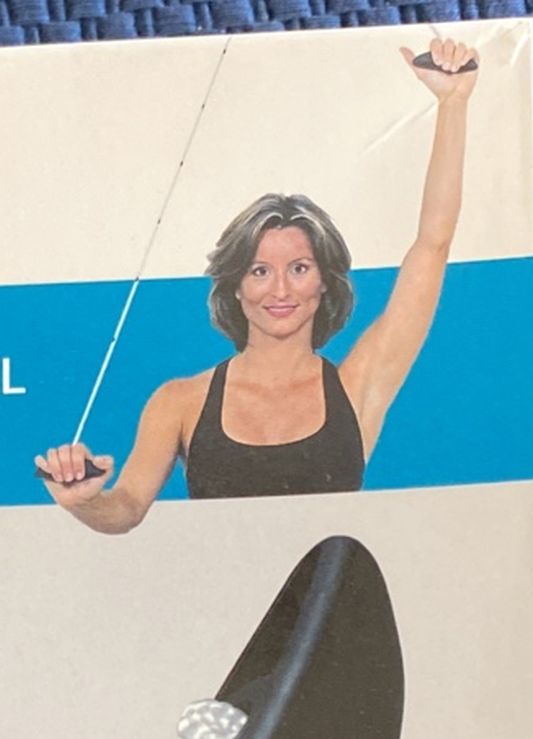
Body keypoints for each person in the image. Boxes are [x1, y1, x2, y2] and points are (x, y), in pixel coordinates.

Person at [36, 34, 480, 529]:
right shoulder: (179, 402)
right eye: (259, 271)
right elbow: (125, 508)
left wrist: (453, 103)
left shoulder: (359, 386)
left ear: (324, 282)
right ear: (235, 285)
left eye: (299, 268)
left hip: (339, 583)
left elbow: (433, 244)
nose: (281, 290)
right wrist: (83, 500)